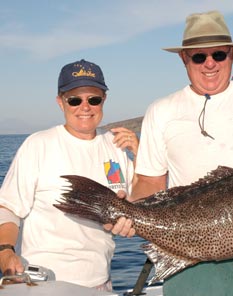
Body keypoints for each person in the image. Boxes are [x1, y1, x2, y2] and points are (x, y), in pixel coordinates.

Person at [129, 11, 233, 296]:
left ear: (231, 53)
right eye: (198, 57)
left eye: (218, 54)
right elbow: (150, 183)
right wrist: (127, 211)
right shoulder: (162, 110)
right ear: (184, 58)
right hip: (192, 255)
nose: (210, 64)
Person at [0, 59, 137, 291]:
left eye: (93, 99)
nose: (85, 107)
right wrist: (5, 251)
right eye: (74, 100)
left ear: (104, 100)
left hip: (100, 283)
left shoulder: (116, 147)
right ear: (60, 103)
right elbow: (9, 207)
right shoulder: (38, 145)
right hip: (42, 284)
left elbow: (141, 206)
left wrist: (141, 156)